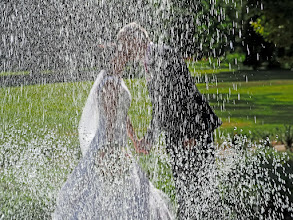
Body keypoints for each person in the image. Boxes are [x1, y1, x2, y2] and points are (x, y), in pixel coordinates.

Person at [53, 43, 174, 219]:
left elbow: (123, 116)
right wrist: (110, 149)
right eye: (120, 56)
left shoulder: (117, 80)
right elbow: (110, 121)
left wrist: (133, 139)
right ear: (112, 60)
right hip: (109, 143)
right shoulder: (110, 83)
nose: (125, 58)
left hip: (118, 141)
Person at [117, 22, 222, 219]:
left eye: (125, 44)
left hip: (192, 130)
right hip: (176, 132)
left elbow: (184, 95)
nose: (125, 50)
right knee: (184, 184)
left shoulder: (165, 54)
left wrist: (189, 133)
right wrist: (150, 137)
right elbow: (161, 106)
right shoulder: (149, 62)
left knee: (202, 184)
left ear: (136, 40)